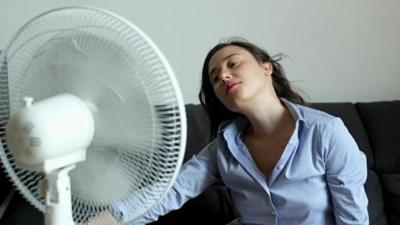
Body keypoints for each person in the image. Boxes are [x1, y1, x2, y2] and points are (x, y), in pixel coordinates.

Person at [122, 38, 369, 225]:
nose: (224, 75)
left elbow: (353, 217)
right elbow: (171, 191)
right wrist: (108, 219)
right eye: (215, 78)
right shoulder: (224, 148)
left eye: (233, 63)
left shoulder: (325, 132)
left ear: (266, 68)